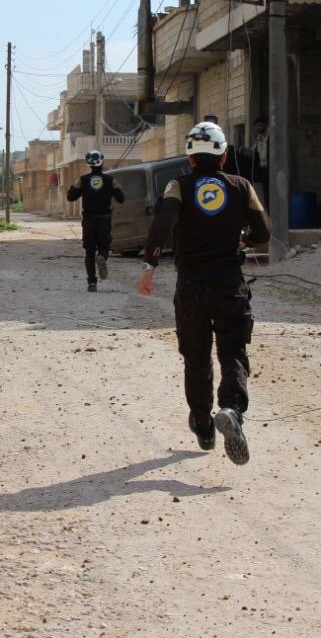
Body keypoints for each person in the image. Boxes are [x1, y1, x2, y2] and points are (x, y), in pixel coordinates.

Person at [137, 122, 272, 465]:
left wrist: (149, 266)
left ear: (190, 158)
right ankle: (231, 409)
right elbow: (263, 232)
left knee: (196, 357)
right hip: (230, 285)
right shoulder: (241, 186)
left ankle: (203, 424)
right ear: (224, 156)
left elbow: (161, 225)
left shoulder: (178, 186)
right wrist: (243, 239)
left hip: (191, 287)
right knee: (233, 352)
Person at [67, 150, 125, 292]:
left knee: (89, 252)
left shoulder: (83, 180)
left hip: (89, 221)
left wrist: (75, 187)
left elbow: (71, 197)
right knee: (104, 247)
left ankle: (92, 283)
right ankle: (102, 257)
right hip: (104, 220)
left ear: (89, 164)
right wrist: (115, 187)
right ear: (102, 162)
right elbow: (121, 199)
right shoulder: (110, 180)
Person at [250, 118, 270, 204]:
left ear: (265, 125)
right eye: (257, 126)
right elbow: (253, 152)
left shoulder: (270, 136)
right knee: (265, 193)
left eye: (260, 125)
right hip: (263, 169)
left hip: (270, 168)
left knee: (269, 192)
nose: (258, 128)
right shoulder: (259, 138)